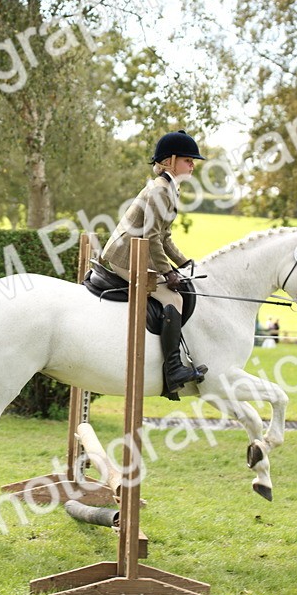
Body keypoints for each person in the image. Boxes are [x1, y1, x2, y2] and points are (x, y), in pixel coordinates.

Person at [99, 130, 207, 399]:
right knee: (174, 299)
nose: (192, 164)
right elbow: (153, 238)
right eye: (188, 160)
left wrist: (186, 263)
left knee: (178, 290)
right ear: (170, 161)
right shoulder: (161, 190)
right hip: (126, 256)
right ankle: (173, 369)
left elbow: (165, 236)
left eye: (193, 161)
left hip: (138, 251)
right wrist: (168, 272)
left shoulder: (168, 188)